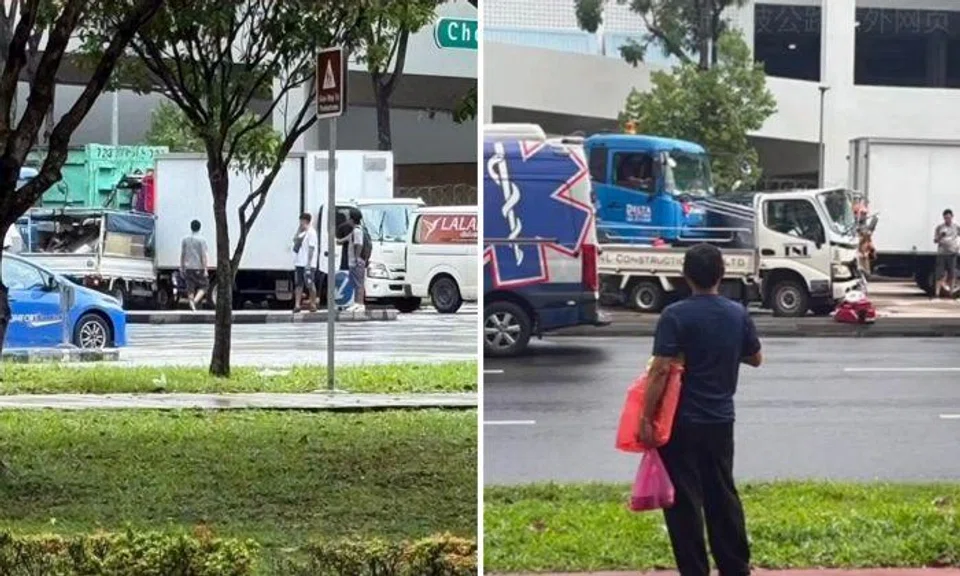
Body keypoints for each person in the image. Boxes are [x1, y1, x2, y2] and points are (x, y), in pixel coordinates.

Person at [638, 243, 762, 576]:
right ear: (721, 274)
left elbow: (660, 369)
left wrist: (645, 419)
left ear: (685, 276)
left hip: (679, 422)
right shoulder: (737, 314)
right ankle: (735, 567)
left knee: (682, 500)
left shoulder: (675, 315)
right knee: (722, 494)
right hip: (720, 420)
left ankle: (694, 570)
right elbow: (756, 357)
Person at [180, 219, 209, 311]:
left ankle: (192, 303)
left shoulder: (185, 240)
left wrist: (182, 267)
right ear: (199, 228)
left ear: (191, 227)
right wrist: (205, 269)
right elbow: (203, 255)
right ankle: (195, 301)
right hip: (198, 267)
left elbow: (183, 254)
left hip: (188, 267)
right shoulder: (202, 240)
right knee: (204, 286)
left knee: (190, 287)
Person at [292, 212, 318, 313]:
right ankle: (297, 304)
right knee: (299, 284)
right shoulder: (301, 233)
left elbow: (311, 248)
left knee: (310, 283)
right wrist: (298, 230)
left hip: (308, 264)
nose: (300, 223)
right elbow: (294, 240)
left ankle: (313, 303)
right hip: (299, 262)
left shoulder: (311, 233)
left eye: (301, 221)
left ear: (305, 221)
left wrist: (309, 263)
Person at [933, 209, 960, 298]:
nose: (947, 219)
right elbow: (935, 240)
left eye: (948, 217)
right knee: (939, 274)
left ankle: (951, 293)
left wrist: (957, 246)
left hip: (952, 253)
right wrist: (941, 236)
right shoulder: (940, 227)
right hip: (942, 253)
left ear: (952, 217)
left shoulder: (956, 227)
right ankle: (937, 293)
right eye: (945, 218)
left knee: (952, 274)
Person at [346, 209, 367, 312]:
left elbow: (359, 244)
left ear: (352, 219)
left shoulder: (357, 231)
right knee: (355, 283)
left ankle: (360, 303)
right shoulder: (355, 231)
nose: (348, 219)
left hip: (356, 261)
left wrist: (357, 258)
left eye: (349, 217)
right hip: (353, 261)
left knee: (359, 283)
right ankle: (356, 303)